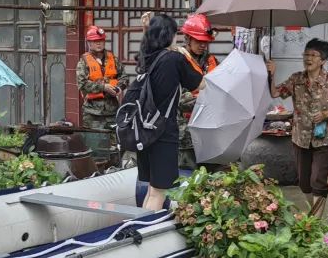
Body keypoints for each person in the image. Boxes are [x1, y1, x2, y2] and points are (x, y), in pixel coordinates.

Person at [267, 38, 328, 215]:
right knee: (304, 183)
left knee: (318, 181)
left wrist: (326, 114)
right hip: (301, 138)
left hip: (325, 138)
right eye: (306, 54)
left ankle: (314, 222)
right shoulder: (296, 78)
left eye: (313, 55)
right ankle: (313, 213)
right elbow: (275, 92)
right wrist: (271, 74)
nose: (308, 58)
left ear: (323, 60)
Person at [133, 14, 204, 211]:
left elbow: (147, 45)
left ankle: (140, 228)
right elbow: (201, 83)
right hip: (164, 132)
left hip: (145, 130)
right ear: (169, 35)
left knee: (151, 190)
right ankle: (147, 235)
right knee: (159, 192)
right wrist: (185, 55)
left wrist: (147, 28)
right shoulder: (175, 58)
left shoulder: (147, 57)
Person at [175, 13, 220, 170]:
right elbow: (176, 99)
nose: (203, 45)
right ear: (187, 38)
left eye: (206, 42)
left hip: (209, 129)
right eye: (199, 41)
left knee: (210, 176)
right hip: (185, 132)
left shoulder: (211, 60)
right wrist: (206, 97)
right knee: (186, 178)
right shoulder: (177, 60)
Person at [76, 25, 121, 134]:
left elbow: (124, 77)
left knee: (113, 146)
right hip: (93, 114)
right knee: (94, 145)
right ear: (89, 43)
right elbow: (82, 84)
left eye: (101, 40)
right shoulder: (84, 61)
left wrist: (118, 88)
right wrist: (103, 87)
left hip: (112, 111)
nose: (98, 43)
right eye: (95, 41)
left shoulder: (113, 58)